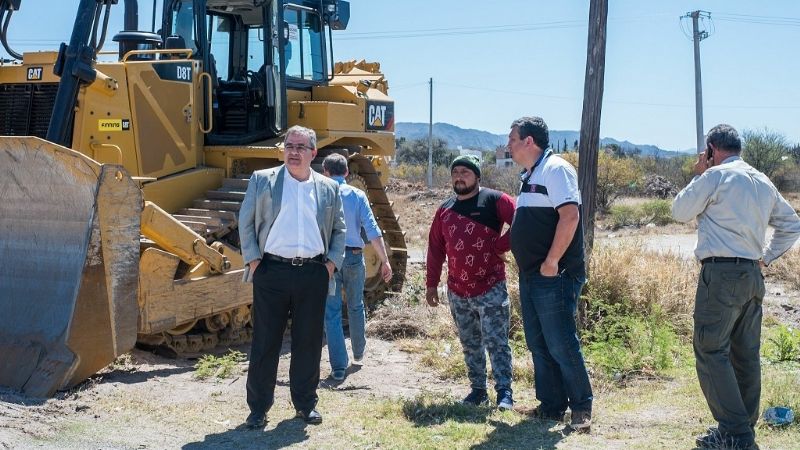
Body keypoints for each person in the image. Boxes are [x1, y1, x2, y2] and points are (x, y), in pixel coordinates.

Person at [672, 124, 800, 450]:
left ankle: (735, 433)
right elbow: (791, 224)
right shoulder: (762, 181)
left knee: (710, 349)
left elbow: (679, 211)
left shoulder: (716, 177)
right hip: (752, 275)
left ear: (712, 148)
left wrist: (700, 173)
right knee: (746, 355)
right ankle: (741, 429)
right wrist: (767, 258)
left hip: (721, 275)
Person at [238, 125, 346, 428]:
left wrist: (330, 267)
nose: (294, 152)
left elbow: (339, 230)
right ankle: (258, 409)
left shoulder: (328, 187)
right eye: (289, 145)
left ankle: (305, 404)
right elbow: (245, 222)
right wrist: (255, 261)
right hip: (271, 271)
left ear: (313, 152)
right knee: (265, 342)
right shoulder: (263, 180)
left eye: (301, 147)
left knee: (308, 342)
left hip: (313, 272)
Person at [507, 116, 593, 432]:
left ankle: (582, 407)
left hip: (554, 274)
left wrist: (552, 260)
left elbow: (570, 217)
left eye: (513, 139)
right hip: (532, 274)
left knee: (560, 342)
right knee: (538, 343)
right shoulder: (530, 174)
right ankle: (552, 406)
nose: (509, 146)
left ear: (529, 141)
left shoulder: (557, 169)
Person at [425, 154, 516, 410]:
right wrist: (431, 284)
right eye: (455, 172)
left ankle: (504, 393)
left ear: (477, 176)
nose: (459, 176)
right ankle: (478, 391)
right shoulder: (445, 210)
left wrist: (501, 245)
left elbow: (522, 222)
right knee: (470, 343)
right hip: (457, 290)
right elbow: (434, 249)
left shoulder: (495, 200)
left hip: (491, 287)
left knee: (497, 342)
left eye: (465, 172)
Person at [321, 153, 392, 381]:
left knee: (331, 312)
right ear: (346, 173)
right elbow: (372, 230)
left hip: (329, 260)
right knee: (355, 305)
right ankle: (359, 352)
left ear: (325, 172)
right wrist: (384, 260)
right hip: (353, 256)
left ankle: (339, 367)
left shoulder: (322, 194)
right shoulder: (357, 195)